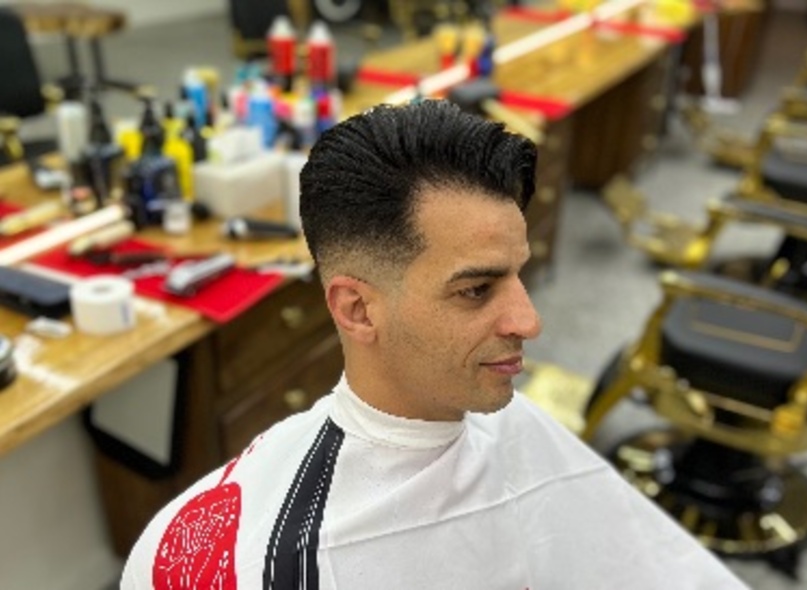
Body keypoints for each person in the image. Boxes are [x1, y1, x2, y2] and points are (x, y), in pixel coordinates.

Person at [122, 100, 748, 589]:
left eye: (518, 275)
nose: (529, 322)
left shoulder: (513, 425)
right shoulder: (262, 556)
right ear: (357, 308)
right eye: (477, 291)